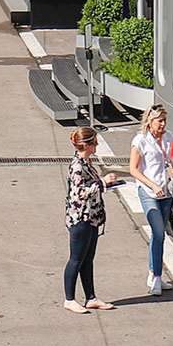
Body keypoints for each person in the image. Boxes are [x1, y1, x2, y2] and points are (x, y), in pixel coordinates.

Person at [61, 126, 126, 313]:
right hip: (80, 218)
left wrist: (105, 183)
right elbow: (80, 193)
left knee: (87, 259)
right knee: (76, 259)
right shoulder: (78, 166)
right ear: (87, 145)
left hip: (92, 217)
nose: (97, 145)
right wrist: (103, 182)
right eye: (95, 142)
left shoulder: (86, 163)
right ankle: (69, 298)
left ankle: (91, 297)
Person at [129, 107, 173, 295]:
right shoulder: (140, 140)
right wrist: (152, 185)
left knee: (159, 234)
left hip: (165, 191)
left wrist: (171, 171)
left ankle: (152, 272)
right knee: (158, 233)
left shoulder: (169, 137)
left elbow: (169, 159)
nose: (163, 124)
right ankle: (157, 276)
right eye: (159, 121)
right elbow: (133, 169)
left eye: (165, 120)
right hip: (149, 192)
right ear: (150, 121)